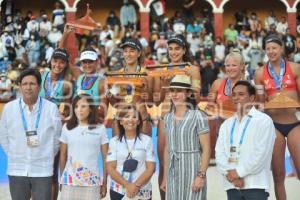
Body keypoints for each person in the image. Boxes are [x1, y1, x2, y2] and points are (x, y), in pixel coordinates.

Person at [0, 68, 62, 200]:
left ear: (39, 87)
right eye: (25, 84)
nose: (28, 87)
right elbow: (3, 136)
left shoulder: (51, 108)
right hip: (17, 169)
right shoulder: (9, 108)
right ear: (20, 87)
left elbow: (57, 138)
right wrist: (14, 155)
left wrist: (46, 155)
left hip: (43, 170)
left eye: (32, 84)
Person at [155, 33, 201, 200]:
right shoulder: (162, 69)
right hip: (165, 116)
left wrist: (182, 84)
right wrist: (165, 84)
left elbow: (197, 98)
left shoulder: (193, 69)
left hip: (186, 118)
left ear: (184, 50)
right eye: (171, 49)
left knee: (186, 163)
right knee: (164, 164)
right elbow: (157, 100)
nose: (173, 52)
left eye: (177, 49)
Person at [254, 34, 300, 200]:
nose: (271, 51)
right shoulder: (259, 73)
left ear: (281, 49)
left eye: (274, 48)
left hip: (294, 122)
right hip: (273, 125)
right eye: (268, 49)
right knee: (278, 174)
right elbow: (259, 103)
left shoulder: (295, 68)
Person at [216, 80, 276, 200]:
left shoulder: (264, 121)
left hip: (255, 184)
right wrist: (230, 174)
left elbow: (261, 154)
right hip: (232, 185)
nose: (236, 98)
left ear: (252, 98)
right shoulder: (227, 124)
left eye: (241, 94)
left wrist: (238, 173)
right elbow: (219, 152)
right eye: (234, 95)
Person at [160, 74, 210, 200]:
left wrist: (201, 175)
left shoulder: (198, 116)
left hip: (193, 170)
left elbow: (206, 149)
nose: (175, 94)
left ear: (188, 93)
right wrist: (165, 177)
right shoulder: (167, 118)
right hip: (172, 173)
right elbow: (167, 149)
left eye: (179, 91)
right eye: (172, 91)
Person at [59, 94, 108, 200]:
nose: (79, 110)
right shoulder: (67, 128)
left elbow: (105, 158)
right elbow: (63, 155)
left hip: (92, 182)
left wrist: (104, 183)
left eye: (83, 106)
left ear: (90, 109)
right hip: (69, 181)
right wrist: (62, 179)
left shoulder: (100, 129)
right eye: (76, 107)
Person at [106, 104, 155, 200]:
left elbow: (150, 168)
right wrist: (127, 185)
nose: (130, 120)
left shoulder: (147, 140)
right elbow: (111, 168)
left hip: (142, 190)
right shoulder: (114, 141)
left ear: (138, 121)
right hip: (119, 190)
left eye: (134, 117)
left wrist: (136, 186)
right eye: (127, 117)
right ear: (120, 121)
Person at [107, 38, 153, 136]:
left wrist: (146, 89)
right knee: (118, 151)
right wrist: (109, 95)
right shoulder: (117, 75)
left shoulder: (147, 74)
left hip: (141, 119)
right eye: (126, 51)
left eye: (132, 51)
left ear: (139, 53)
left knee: (144, 150)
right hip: (120, 119)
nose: (128, 54)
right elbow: (115, 104)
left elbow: (151, 104)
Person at [207, 49, 246, 160]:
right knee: (226, 169)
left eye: (234, 65)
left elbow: (255, 110)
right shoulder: (217, 83)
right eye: (227, 65)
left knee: (239, 167)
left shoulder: (248, 85)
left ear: (242, 66)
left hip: (243, 134)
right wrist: (219, 111)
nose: (230, 68)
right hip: (223, 133)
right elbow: (209, 109)